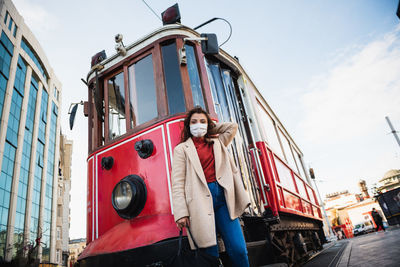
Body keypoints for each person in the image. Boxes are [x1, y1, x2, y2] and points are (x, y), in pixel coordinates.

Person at [171, 106, 250, 267]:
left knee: (239, 249)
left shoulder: (217, 141)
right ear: (188, 125)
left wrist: (210, 128)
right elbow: (177, 182)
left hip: (223, 200)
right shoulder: (181, 150)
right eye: (194, 122)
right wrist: (181, 213)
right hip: (198, 204)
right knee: (209, 256)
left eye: (202, 121)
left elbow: (232, 127)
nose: (198, 125)